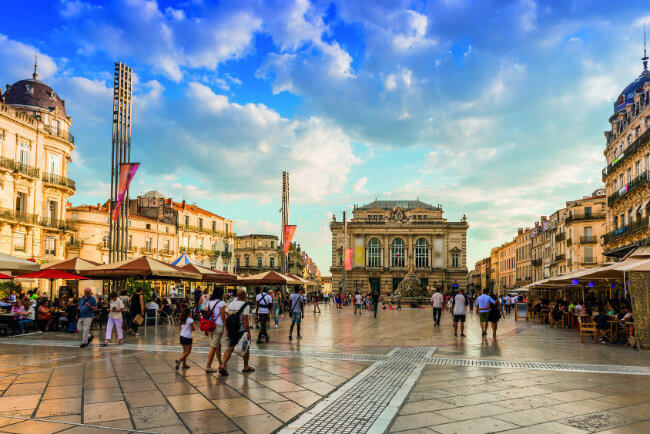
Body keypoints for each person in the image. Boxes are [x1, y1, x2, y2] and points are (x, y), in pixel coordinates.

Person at [220, 289, 255, 375]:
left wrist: (227, 328)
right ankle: (246, 366)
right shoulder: (245, 305)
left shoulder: (231, 304)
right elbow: (245, 320)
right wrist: (248, 332)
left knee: (231, 347)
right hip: (241, 330)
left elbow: (227, 317)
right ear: (243, 296)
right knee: (246, 347)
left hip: (232, 329)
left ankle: (223, 365)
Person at [205, 286, 227, 373]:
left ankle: (220, 363)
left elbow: (206, 315)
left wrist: (206, 329)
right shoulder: (221, 303)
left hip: (210, 326)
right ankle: (208, 366)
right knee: (214, 346)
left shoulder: (209, 302)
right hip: (218, 326)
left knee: (217, 345)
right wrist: (226, 327)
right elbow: (222, 316)